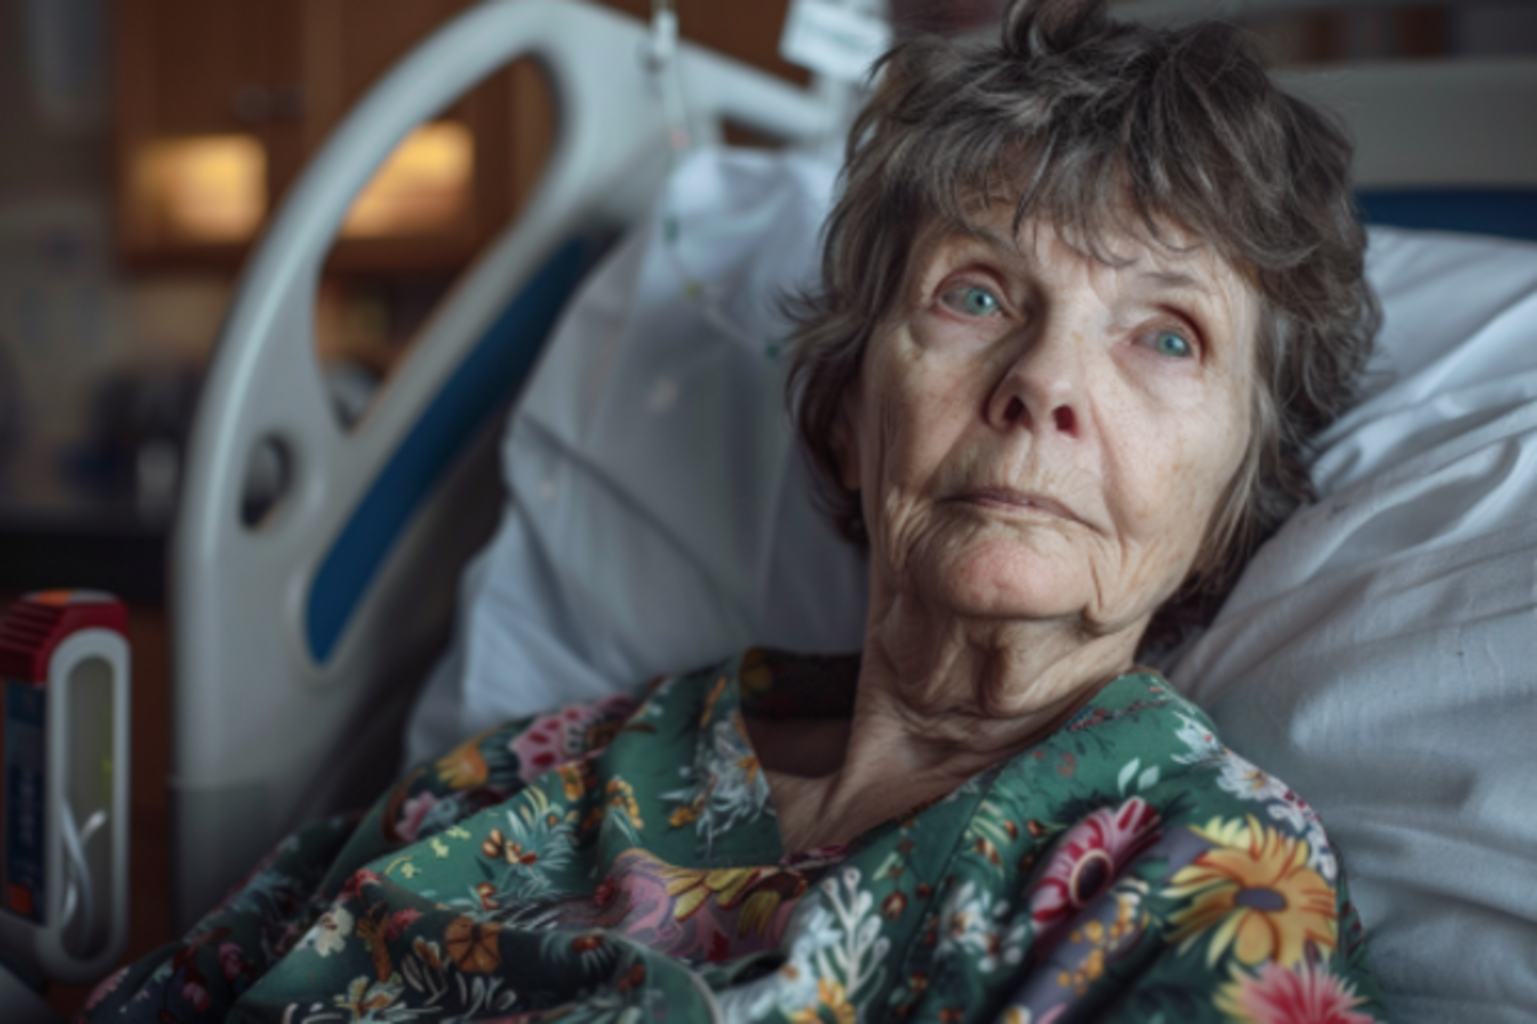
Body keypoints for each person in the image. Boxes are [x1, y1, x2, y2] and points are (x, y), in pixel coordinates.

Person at [80, 1, 1386, 1021]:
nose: (1044, 382)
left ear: (1236, 507)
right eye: (977, 295)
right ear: (846, 415)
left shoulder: (1208, 881)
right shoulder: (544, 771)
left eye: (1166, 335)